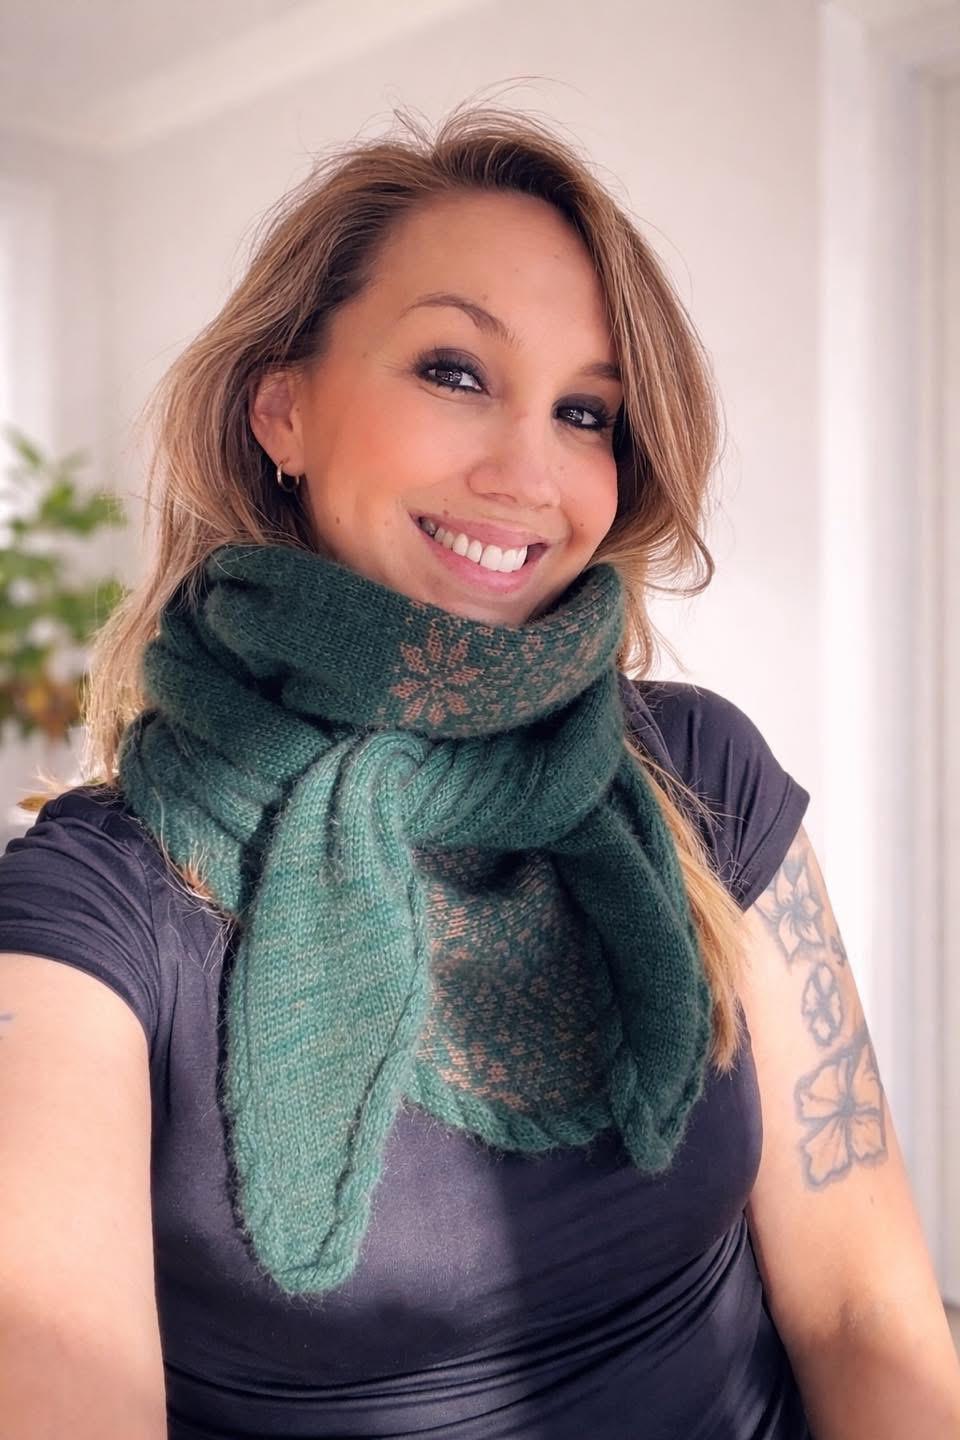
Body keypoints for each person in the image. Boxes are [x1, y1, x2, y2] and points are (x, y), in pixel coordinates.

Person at [0, 103, 957, 1440]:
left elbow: (867, 1315)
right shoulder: (93, 909)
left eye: (585, 412)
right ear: (283, 408)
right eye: (454, 372)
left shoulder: (698, 775)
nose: (527, 472)